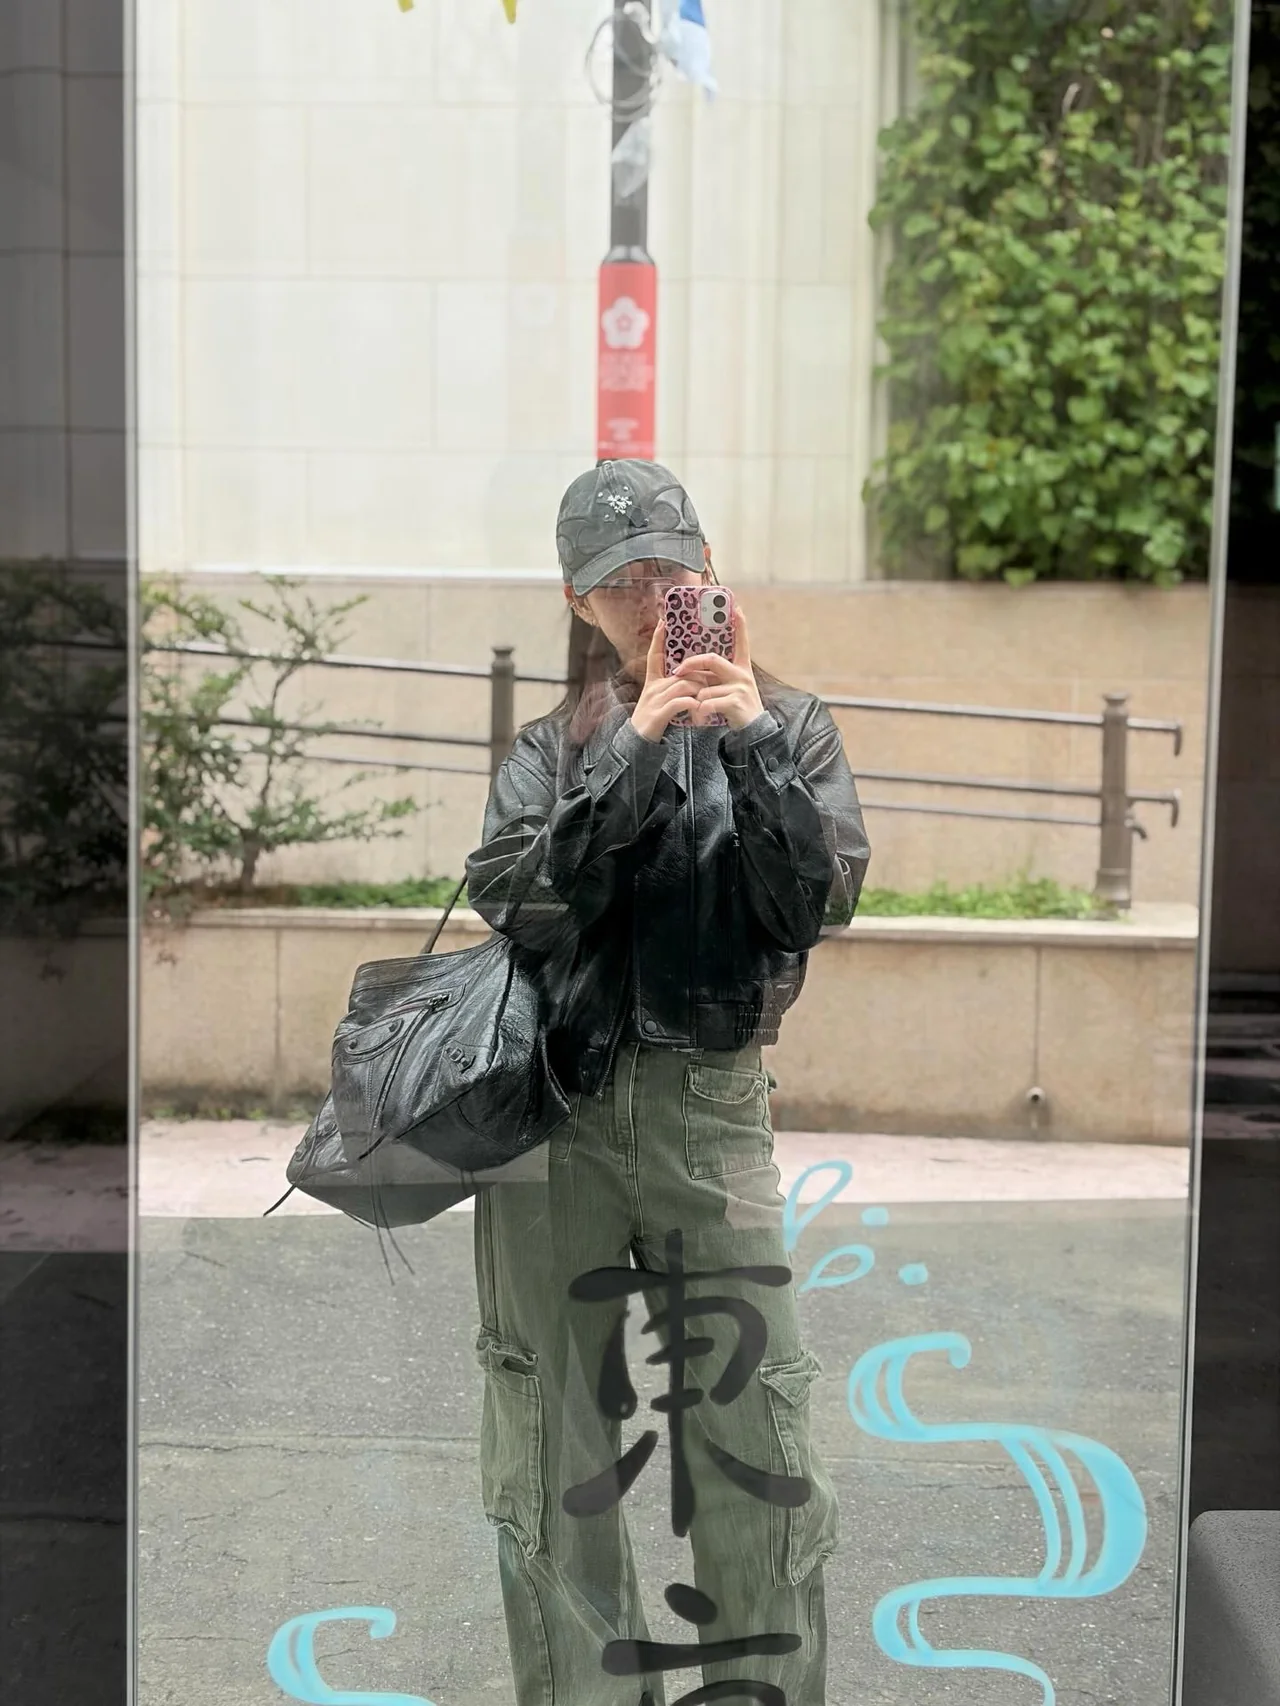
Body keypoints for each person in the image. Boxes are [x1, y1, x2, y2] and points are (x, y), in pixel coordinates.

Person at [463, 459, 871, 1705]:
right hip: (554, 1113)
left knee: (755, 1433)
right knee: (552, 1437)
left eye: (669, 574)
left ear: (710, 576)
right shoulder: (551, 750)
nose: (649, 601)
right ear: (575, 601)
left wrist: (746, 739)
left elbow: (815, 902)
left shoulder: (789, 727)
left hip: (711, 1110)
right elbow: (523, 901)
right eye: (619, 582)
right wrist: (633, 743)